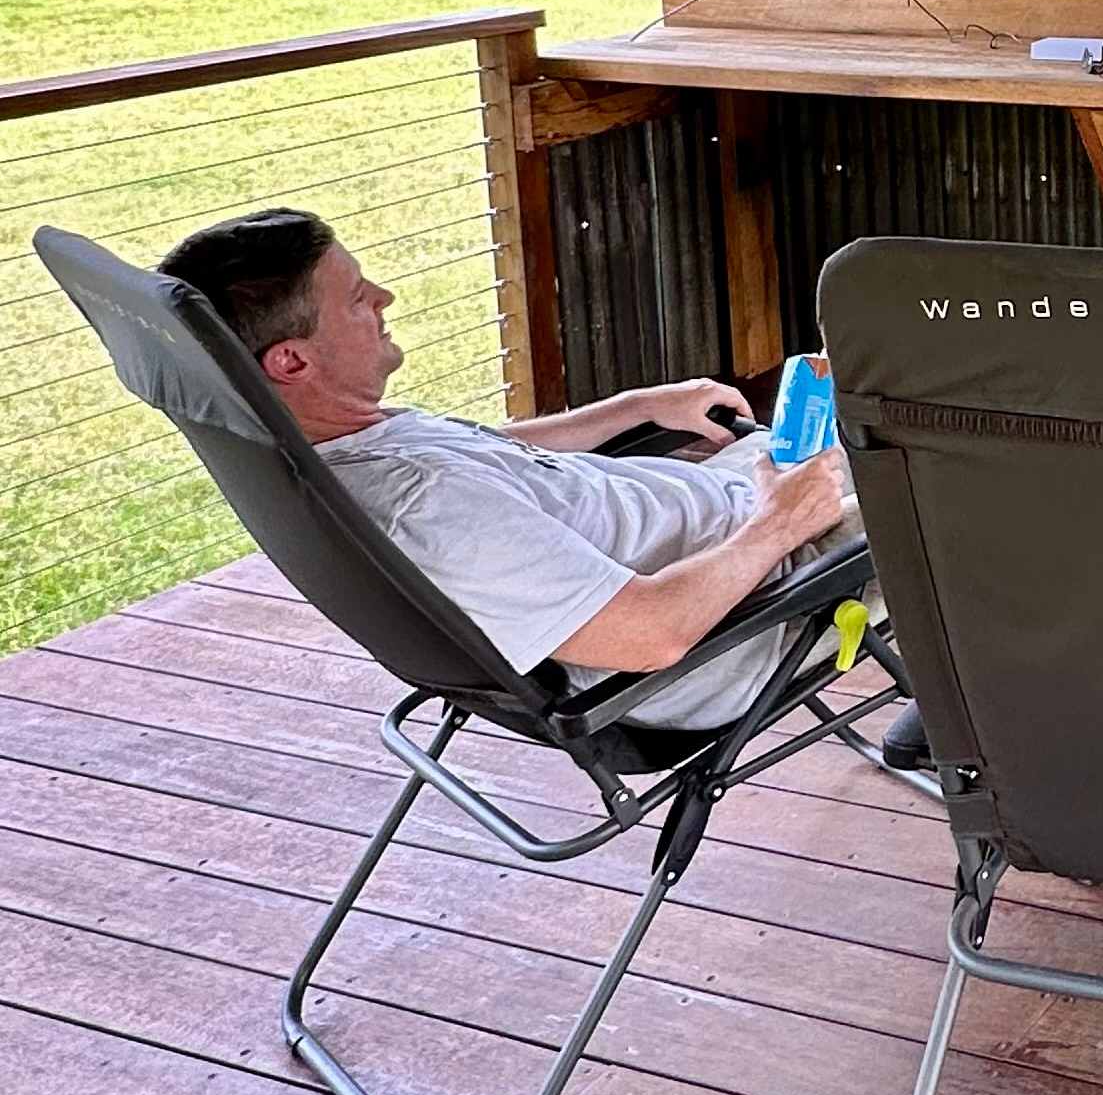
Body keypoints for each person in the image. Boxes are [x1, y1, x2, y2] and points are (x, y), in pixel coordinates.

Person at [158, 206, 864, 736]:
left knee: (883, 407)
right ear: (291, 361)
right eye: (354, 297)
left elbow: (488, 451)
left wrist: (637, 407)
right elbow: (652, 637)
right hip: (756, 606)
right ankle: (957, 718)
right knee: (967, 484)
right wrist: (779, 527)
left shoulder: (327, 447)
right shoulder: (429, 508)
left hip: (736, 516)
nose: (382, 298)